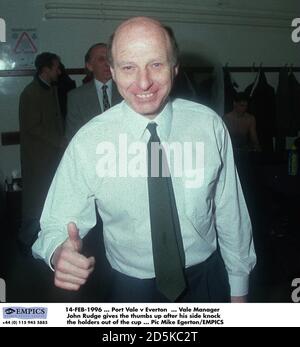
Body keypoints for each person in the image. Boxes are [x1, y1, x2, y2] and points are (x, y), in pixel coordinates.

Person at [32, 17, 256, 303]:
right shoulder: (89, 142)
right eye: (128, 67)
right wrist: (57, 250)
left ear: (175, 68)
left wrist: (239, 289)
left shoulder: (209, 126)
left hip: (206, 282)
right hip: (129, 290)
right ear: (112, 71)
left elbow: (230, 212)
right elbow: (56, 222)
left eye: (156, 64)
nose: (144, 82)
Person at [19, 52, 65, 253]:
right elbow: (33, 127)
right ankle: (25, 241)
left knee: (47, 202)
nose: (60, 71)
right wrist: (61, 142)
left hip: (51, 157)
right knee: (35, 203)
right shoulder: (30, 93)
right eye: (56, 67)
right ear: (45, 69)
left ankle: (40, 242)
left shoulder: (50, 89)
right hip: (38, 160)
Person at [65, 43, 122, 141]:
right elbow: (73, 135)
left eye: (109, 59)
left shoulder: (126, 91)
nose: (107, 64)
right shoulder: (76, 97)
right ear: (90, 66)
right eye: (101, 59)